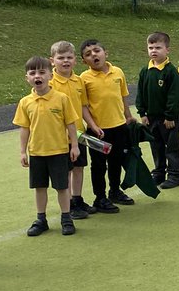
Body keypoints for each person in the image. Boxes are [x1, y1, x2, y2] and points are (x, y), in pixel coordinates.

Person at [13, 56, 80, 237]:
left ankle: (66, 217)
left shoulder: (61, 99)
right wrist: (22, 151)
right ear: (27, 78)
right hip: (36, 152)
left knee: (62, 187)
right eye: (32, 73)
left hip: (59, 150)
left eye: (42, 72)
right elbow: (24, 128)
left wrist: (74, 146)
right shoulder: (25, 102)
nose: (37, 76)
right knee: (39, 187)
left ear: (50, 75)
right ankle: (41, 219)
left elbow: (71, 124)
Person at [79, 39, 135, 212]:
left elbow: (123, 97)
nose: (93, 55)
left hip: (118, 126)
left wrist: (128, 116)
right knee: (98, 165)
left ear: (106, 53)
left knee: (116, 161)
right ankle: (100, 197)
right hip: (98, 131)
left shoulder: (118, 72)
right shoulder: (84, 79)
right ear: (84, 61)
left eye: (96, 51)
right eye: (88, 54)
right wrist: (93, 126)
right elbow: (84, 106)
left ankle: (114, 191)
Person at [49, 41, 96, 220]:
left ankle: (77, 199)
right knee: (67, 170)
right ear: (52, 61)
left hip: (79, 134)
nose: (65, 61)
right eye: (61, 58)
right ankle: (68, 203)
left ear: (75, 60)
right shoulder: (50, 83)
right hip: (61, 137)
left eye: (69, 57)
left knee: (79, 167)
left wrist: (92, 125)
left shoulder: (79, 81)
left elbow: (83, 106)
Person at [137, 31, 179, 189]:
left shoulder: (171, 72)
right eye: (151, 47)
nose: (154, 51)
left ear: (167, 50)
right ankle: (158, 172)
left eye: (158, 47)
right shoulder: (145, 71)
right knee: (155, 146)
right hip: (151, 118)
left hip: (168, 119)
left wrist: (170, 116)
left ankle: (175, 175)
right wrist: (142, 113)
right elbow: (141, 94)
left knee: (171, 146)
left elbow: (175, 96)